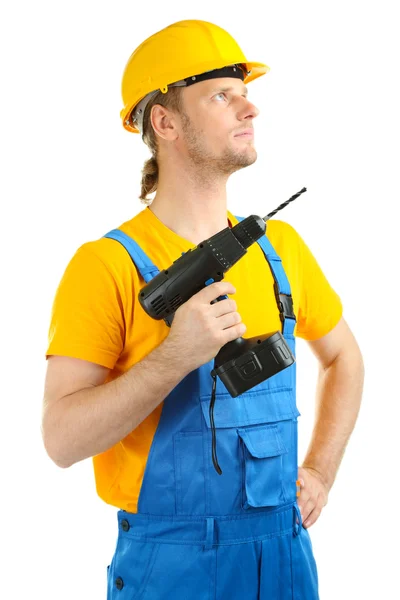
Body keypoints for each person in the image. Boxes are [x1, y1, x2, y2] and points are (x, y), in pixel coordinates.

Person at [41, 19, 364, 599]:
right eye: (222, 95)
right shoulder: (106, 266)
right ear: (165, 122)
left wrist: (319, 471)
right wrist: (175, 357)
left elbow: (344, 357)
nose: (250, 110)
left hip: (285, 555)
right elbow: (61, 440)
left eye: (247, 95)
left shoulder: (279, 252)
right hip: (171, 566)